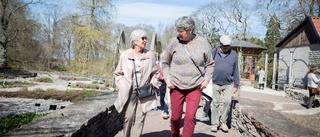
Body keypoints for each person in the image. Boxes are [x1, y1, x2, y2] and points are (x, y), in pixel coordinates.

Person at [162, 16, 214, 137]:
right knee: (175, 117)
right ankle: (174, 134)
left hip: (195, 86)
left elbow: (210, 64)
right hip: (176, 85)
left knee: (190, 117)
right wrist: (168, 79)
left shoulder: (202, 42)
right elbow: (164, 62)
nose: (178, 33)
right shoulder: (173, 42)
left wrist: (206, 80)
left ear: (190, 30)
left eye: (181, 31)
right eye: (177, 30)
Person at [113, 29, 159, 137]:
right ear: (135, 41)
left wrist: (152, 84)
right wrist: (122, 85)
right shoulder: (125, 55)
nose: (145, 40)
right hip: (130, 91)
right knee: (128, 116)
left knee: (140, 117)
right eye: (143, 38)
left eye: (146, 38)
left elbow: (156, 73)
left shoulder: (150, 55)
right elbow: (118, 73)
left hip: (145, 90)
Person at [210, 35, 239, 133]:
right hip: (215, 82)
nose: (226, 48)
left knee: (227, 102)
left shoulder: (233, 54)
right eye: (225, 46)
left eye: (228, 46)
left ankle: (223, 122)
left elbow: (236, 70)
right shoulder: (214, 52)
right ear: (220, 44)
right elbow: (207, 66)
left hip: (228, 83)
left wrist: (236, 85)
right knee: (215, 104)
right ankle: (214, 124)